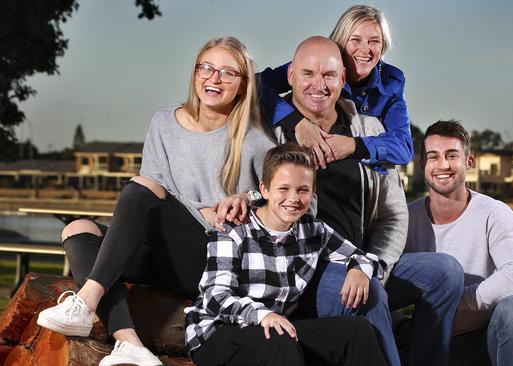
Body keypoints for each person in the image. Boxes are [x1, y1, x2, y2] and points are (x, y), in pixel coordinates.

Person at [218, 36, 464, 366]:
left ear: (342, 80)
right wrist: (244, 196)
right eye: (308, 74)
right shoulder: (267, 132)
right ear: (290, 75)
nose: (318, 85)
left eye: (329, 75)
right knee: (368, 294)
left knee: (445, 271)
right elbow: (253, 193)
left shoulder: (369, 129)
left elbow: (392, 215)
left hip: (362, 260)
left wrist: (370, 265)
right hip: (305, 271)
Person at [36, 37, 275, 366]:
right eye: (206, 68)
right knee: (77, 228)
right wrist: (196, 207)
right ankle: (128, 342)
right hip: (161, 251)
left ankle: (86, 300)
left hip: (211, 260)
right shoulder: (164, 122)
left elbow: (288, 202)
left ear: (242, 84)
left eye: (227, 73)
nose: (214, 78)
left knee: (140, 183)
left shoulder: (254, 141)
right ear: (194, 74)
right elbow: (149, 202)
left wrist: (247, 198)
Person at [185, 144, 390, 366]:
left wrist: (359, 269)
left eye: (302, 190)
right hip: (218, 333)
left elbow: (367, 258)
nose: (293, 198)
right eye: (283, 189)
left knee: (356, 332)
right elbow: (215, 297)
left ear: (313, 192)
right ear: (264, 190)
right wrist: (262, 315)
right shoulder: (234, 230)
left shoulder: (313, 230)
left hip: (276, 328)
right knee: (279, 340)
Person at [404, 120, 513, 366]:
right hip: (427, 336)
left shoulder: (494, 213)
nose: (443, 165)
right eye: (433, 156)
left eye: (452, 155)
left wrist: (457, 301)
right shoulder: (405, 219)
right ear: (423, 164)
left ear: (469, 162)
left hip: (484, 336)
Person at [259, 4, 412, 169]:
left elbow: (403, 147)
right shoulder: (318, 61)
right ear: (341, 40)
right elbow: (256, 85)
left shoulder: (391, 82)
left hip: (355, 168)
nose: (365, 49)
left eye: (374, 41)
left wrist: (353, 145)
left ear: (383, 46)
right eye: (355, 40)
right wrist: (297, 123)